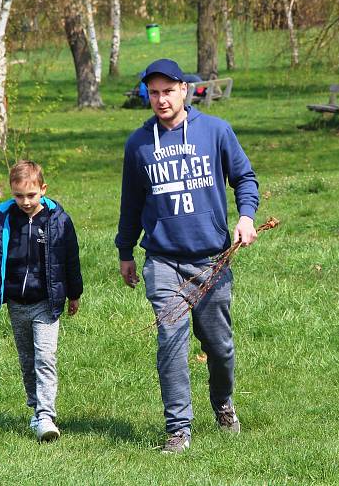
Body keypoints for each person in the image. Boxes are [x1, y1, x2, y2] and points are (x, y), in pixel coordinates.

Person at [115, 58, 260, 454]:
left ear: (185, 90)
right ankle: (179, 428)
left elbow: (245, 178)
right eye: (153, 93)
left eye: (167, 91)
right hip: (163, 261)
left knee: (220, 346)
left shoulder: (215, 132)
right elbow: (131, 204)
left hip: (212, 261)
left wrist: (246, 218)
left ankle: (223, 404)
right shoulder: (139, 145)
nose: (160, 100)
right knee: (171, 342)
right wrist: (125, 250)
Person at [0, 160, 83, 443]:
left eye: (31, 195)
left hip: (47, 302)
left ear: (43, 190)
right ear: (11, 192)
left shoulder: (59, 221)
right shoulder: (3, 221)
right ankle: (36, 409)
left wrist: (74, 294)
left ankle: (46, 415)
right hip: (17, 304)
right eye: (19, 196)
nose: (25, 202)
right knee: (27, 360)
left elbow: (71, 260)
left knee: (45, 358)